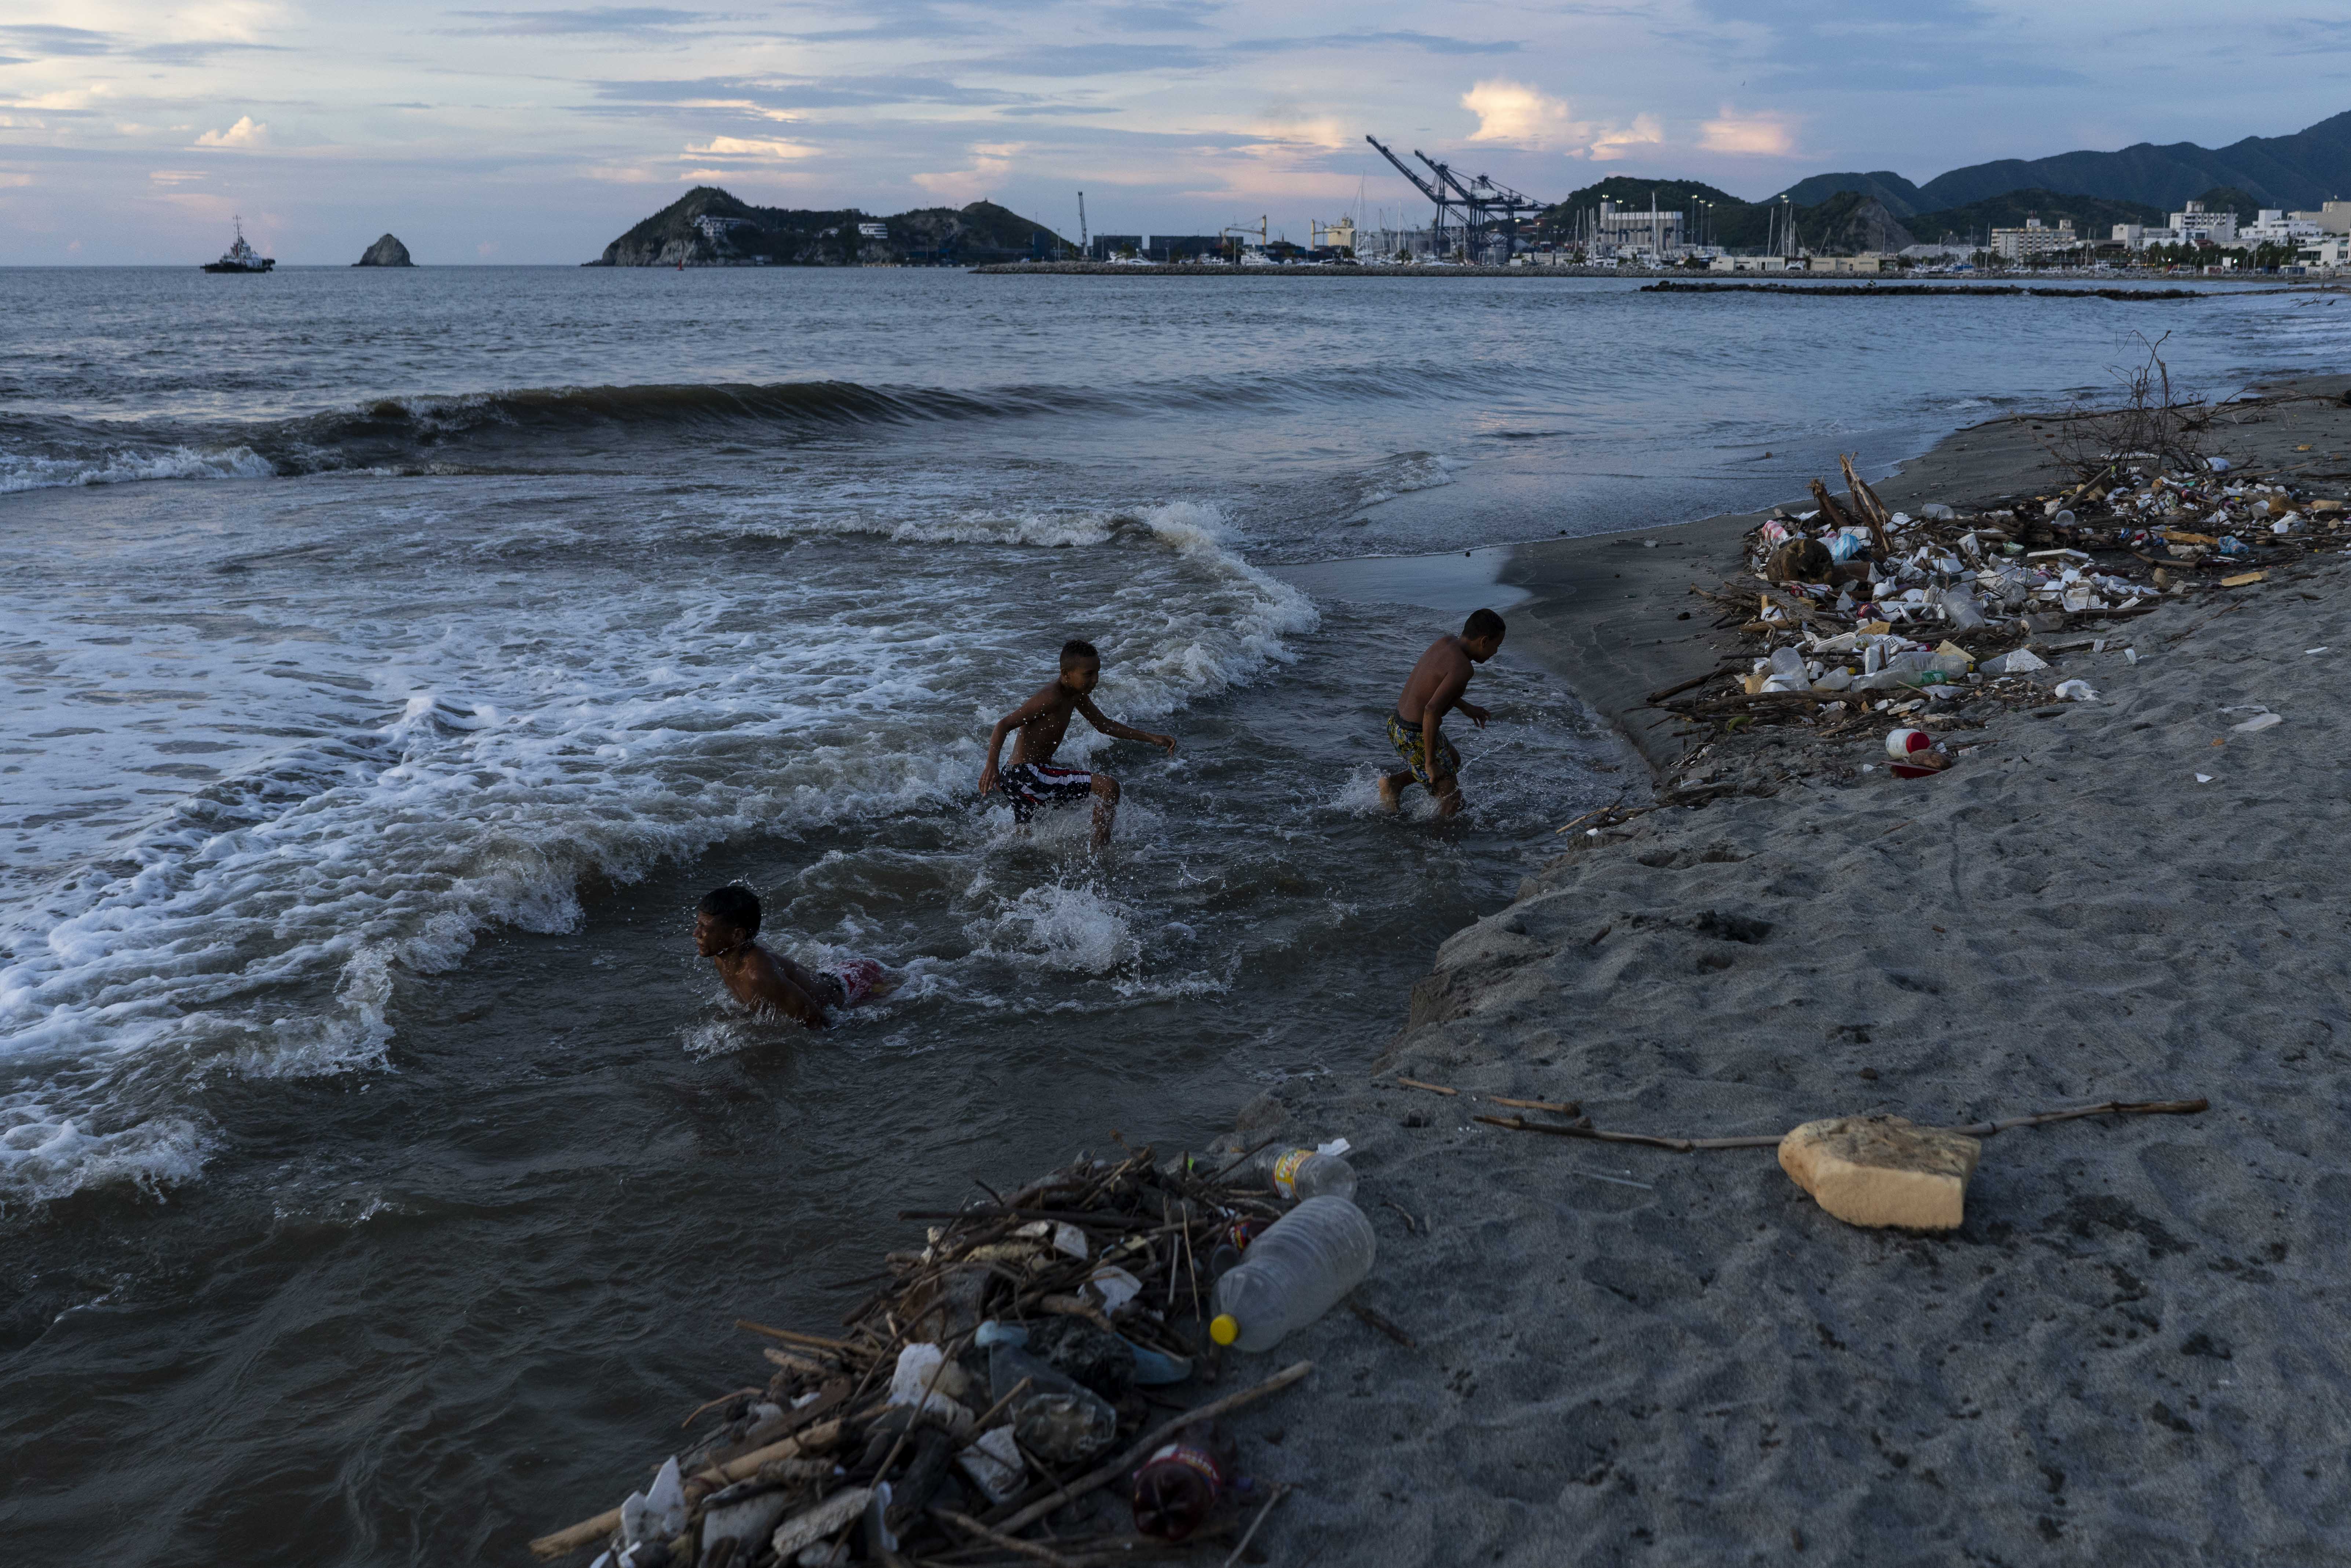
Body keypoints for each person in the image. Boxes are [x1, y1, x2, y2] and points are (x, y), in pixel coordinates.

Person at [978, 639, 1176, 851]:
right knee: (1109, 787)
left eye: (1098, 673)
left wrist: (1151, 737)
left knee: (1025, 843)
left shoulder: (1075, 695)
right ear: (1066, 674)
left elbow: (1104, 725)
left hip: (1021, 779)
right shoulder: (1052, 697)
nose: (1096, 680)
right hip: (1027, 775)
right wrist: (992, 765)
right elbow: (1004, 724)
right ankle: (1099, 855)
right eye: (1088, 674)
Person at [691, 885, 887, 1028]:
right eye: (698, 925)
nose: (696, 934)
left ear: (737, 936)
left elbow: (818, 1021)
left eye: (704, 928)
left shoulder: (758, 974)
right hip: (834, 977)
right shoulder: (721, 956)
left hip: (857, 985)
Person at [1379, 607, 1505, 818]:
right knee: (1453, 803)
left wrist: (1466, 707)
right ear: (1484, 642)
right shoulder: (1464, 668)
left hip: (1397, 724)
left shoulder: (1446, 643)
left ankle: (1395, 784)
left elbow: (1434, 687)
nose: (1496, 653)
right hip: (1415, 733)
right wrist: (1430, 763)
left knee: (1453, 760)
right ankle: (1435, 848)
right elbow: (1431, 710)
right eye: (1497, 646)